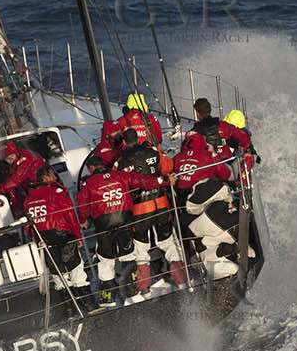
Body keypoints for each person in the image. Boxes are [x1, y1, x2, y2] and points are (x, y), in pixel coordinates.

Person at [75, 156, 162, 304]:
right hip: (124, 219)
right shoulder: (120, 175)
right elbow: (142, 181)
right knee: (128, 255)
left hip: (103, 224)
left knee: (105, 259)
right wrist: (162, 180)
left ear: (91, 168)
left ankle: (108, 298)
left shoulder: (88, 183)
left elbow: (82, 206)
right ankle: (136, 289)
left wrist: (82, 221)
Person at [115, 127, 186, 294]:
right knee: (168, 243)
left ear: (124, 142)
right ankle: (182, 281)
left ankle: (143, 289)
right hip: (161, 202)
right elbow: (168, 166)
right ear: (138, 139)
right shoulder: (153, 152)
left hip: (139, 209)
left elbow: (120, 186)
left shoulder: (120, 163)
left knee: (141, 249)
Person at [172, 131, 243, 278]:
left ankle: (195, 264)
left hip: (185, 210)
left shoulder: (176, 158)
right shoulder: (208, 156)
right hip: (210, 208)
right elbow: (226, 175)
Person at [20, 165, 90, 311]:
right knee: (76, 270)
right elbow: (70, 215)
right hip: (63, 236)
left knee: (58, 275)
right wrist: (78, 237)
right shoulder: (56, 192)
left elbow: (28, 226)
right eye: (53, 175)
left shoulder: (28, 199)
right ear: (45, 178)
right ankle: (89, 305)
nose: (55, 178)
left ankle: (70, 310)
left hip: (43, 241)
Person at [92, 92, 165, 165]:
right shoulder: (152, 119)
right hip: (151, 157)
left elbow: (116, 142)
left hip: (128, 159)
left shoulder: (120, 120)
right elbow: (158, 140)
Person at [191, 98, 252, 165]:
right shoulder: (223, 125)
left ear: (197, 113)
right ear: (210, 110)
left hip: (206, 168)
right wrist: (245, 150)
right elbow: (244, 137)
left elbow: (187, 152)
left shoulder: (194, 132)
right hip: (226, 164)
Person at [0, 140, 47, 212]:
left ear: (15, 152)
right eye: (5, 156)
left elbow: (16, 180)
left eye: (10, 154)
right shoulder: (13, 165)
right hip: (32, 193)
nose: (8, 158)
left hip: (43, 191)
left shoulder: (27, 158)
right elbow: (11, 184)